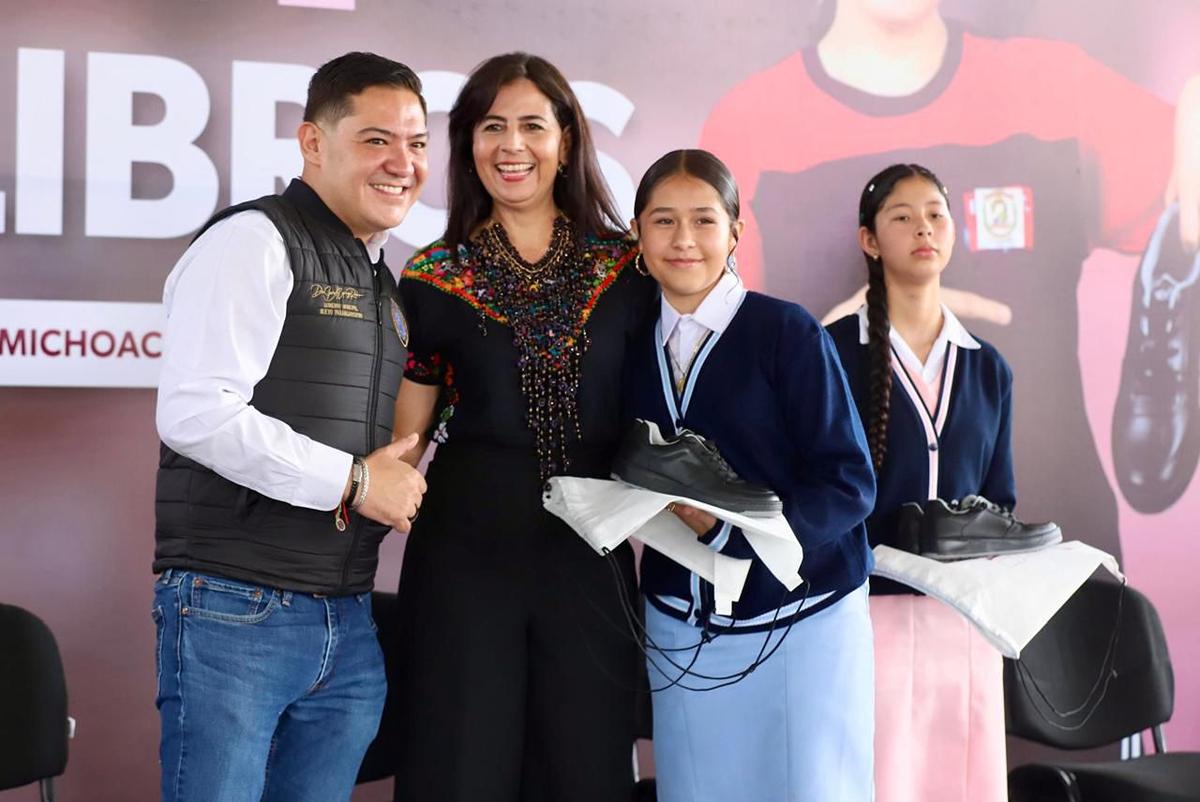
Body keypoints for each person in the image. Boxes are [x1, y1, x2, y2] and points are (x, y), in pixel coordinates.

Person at [152, 51, 429, 802]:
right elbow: (195, 412)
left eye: (416, 142)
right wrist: (356, 480)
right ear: (313, 143)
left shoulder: (379, 276)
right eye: (377, 140)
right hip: (234, 609)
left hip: (344, 615)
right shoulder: (253, 241)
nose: (402, 163)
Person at [388, 52, 655, 802]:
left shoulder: (628, 267)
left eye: (532, 125)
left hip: (590, 556)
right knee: (459, 763)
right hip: (465, 555)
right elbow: (406, 442)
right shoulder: (435, 274)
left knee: (585, 765)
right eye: (490, 126)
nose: (512, 145)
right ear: (468, 144)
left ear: (567, 140)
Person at [625, 149, 877, 802]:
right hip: (682, 621)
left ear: (736, 233)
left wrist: (746, 533)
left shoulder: (783, 331)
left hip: (804, 618)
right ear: (637, 235)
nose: (684, 241)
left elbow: (849, 482)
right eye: (663, 221)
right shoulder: (626, 340)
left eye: (704, 221)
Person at [826, 163, 1015, 802]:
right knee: (878, 778)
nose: (923, 228)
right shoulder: (829, 353)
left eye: (935, 213)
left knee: (961, 779)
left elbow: (1002, 499)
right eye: (902, 216)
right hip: (863, 613)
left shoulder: (988, 368)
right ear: (870, 241)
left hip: (961, 622)